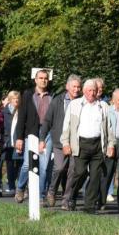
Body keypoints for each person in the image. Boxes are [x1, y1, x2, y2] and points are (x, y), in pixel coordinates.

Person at [60, 79, 115, 213]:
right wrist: (65, 143)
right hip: (81, 144)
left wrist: (111, 145)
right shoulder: (74, 104)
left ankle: (89, 206)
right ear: (84, 91)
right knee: (80, 173)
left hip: (98, 145)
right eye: (89, 90)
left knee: (95, 176)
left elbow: (109, 127)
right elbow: (67, 126)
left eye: (94, 90)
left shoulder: (103, 106)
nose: (92, 93)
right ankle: (72, 196)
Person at [40, 74, 82, 207]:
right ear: (67, 87)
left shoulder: (83, 102)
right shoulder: (57, 100)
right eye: (74, 86)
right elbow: (47, 120)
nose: (76, 89)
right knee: (59, 168)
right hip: (59, 142)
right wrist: (42, 139)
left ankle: (66, 200)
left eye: (78, 87)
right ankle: (52, 191)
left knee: (72, 171)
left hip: (76, 143)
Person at [15, 69, 53, 203]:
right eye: (41, 78)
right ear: (35, 80)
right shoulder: (27, 95)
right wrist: (19, 137)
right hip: (31, 132)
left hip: (47, 133)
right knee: (27, 164)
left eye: (45, 78)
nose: (43, 80)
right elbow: (21, 117)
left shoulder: (52, 96)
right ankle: (20, 188)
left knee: (43, 166)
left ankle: (40, 196)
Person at [101, 88, 119, 210]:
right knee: (106, 174)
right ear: (113, 100)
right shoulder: (107, 111)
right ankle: (101, 201)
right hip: (111, 144)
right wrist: (107, 146)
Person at [2, 91, 22, 196]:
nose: (16, 100)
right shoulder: (4, 112)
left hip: (19, 141)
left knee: (20, 164)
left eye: (18, 98)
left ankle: (20, 187)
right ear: (10, 100)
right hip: (8, 142)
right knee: (10, 165)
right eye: (14, 98)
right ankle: (11, 186)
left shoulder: (21, 111)